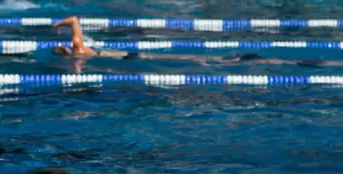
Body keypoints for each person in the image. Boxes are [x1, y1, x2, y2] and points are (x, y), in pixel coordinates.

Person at [52, 16, 343, 71]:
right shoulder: (80, 52)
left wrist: (64, 24)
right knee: (198, 62)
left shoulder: (80, 51)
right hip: (138, 57)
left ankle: (236, 61)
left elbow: (76, 22)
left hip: (140, 58)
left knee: (197, 62)